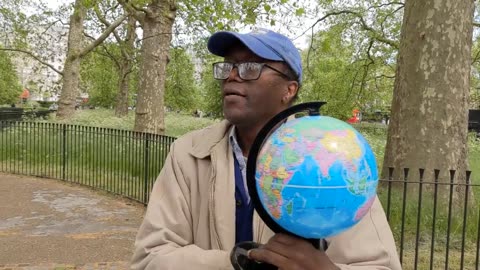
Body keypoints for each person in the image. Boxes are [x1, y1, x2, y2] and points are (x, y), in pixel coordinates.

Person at [130, 28, 402, 270]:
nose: (233, 76)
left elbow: (379, 264)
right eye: (228, 67)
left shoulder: (334, 158)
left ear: (289, 89)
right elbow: (149, 258)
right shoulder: (188, 153)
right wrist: (235, 262)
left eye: (251, 67)